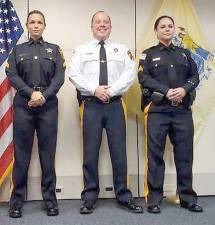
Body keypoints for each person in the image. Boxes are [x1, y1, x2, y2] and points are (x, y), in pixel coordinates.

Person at [68, 11, 143, 214]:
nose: (102, 25)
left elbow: (129, 74)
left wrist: (110, 91)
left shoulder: (122, 50)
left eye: (106, 22)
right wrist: (95, 89)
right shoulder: (81, 50)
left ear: (110, 26)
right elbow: (73, 74)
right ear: (91, 26)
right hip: (90, 105)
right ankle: (90, 196)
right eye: (98, 22)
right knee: (90, 152)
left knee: (119, 152)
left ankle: (124, 196)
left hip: (115, 105)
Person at [138, 15, 203, 214]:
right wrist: (166, 91)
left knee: (184, 156)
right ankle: (154, 199)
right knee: (155, 156)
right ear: (156, 31)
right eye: (163, 26)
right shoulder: (147, 55)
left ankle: (187, 198)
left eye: (170, 26)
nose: (167, 29)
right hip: (158, 111)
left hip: (182, 111)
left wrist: (184, 89)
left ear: (174, 29)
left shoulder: (184, 54)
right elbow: (143, 77)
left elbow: (195, 76)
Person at [6, 10, 65, 218]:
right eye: (32, 22)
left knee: (47, 156)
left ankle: (50, 201)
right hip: (24, 106)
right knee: (21, 155)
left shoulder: (54, 50)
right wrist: (31, 93)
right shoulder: (17, 50)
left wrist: (43, 96)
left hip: (47, 106)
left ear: (44, 25)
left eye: (40, 22)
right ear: (27, 25)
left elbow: (59, 78)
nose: (36, 25)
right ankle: (16, 203)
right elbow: (12, 75)